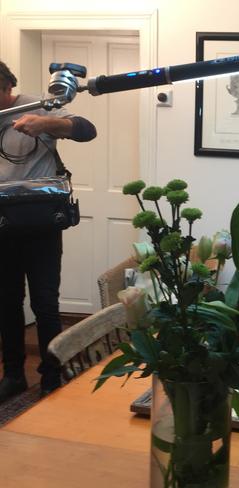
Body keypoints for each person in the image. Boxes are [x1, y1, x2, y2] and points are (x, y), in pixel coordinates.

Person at [0, 61, 97, 401]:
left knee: (45, 302)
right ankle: (13, 375)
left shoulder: (35, 105)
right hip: (1, 225)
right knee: (7, 302)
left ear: (7, 87)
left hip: (40, 222)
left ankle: (52, 374)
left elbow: (86, 129)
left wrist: (47, 123)